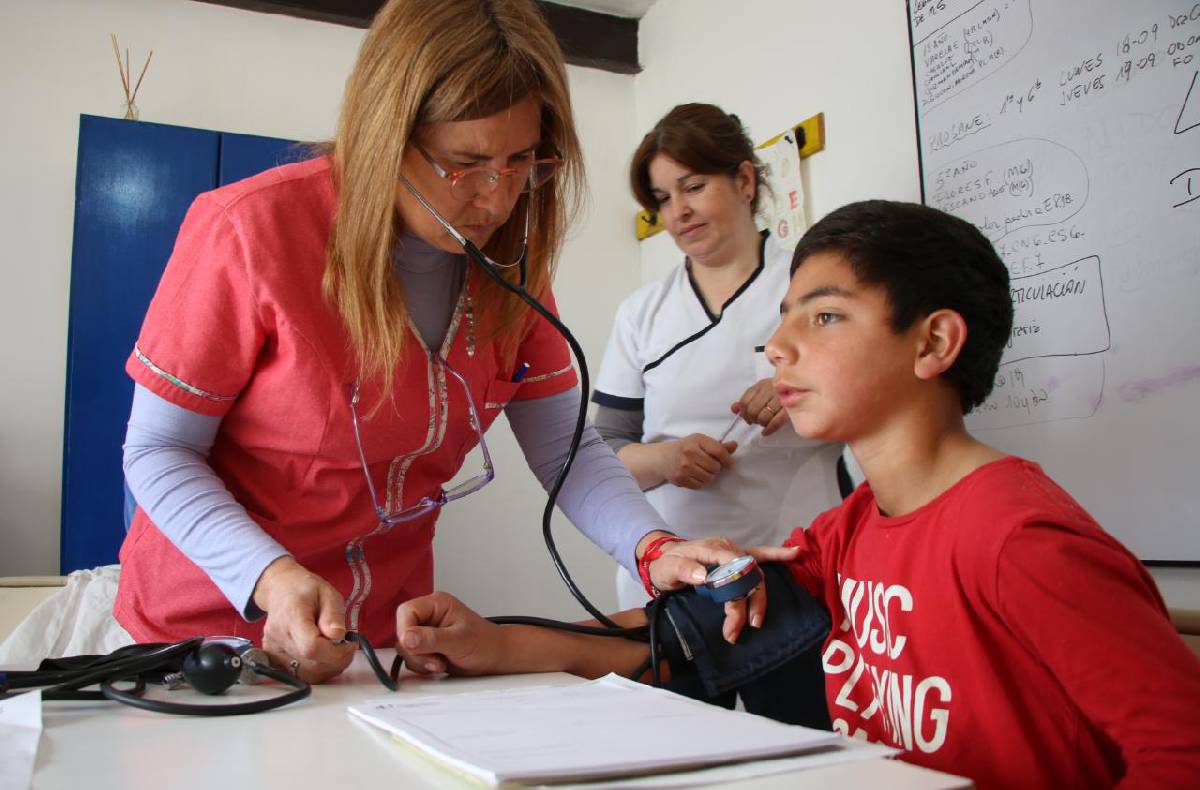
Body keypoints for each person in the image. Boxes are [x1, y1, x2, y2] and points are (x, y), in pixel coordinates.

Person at [393, 200, 1200, 788]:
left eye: (823, 318)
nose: (775, 347)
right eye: (783, 320)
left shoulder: (1021, 542)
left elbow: (1181, 752)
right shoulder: (848, 531)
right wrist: (494, 645)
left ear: (934, 342)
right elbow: (688, 638)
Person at [114, 0, 743, 685]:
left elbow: (566, 450)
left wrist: (653, 548)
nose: (496, 199)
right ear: (385, 134)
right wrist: (270, 577)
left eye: (519, 162)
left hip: (380, 641)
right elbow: (159, 451)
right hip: (205, 636)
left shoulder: (511, 262)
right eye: (464, 163)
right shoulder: (250, 232)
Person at [592, 104, 843, 610]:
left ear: (745, 181)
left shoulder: (814, 280)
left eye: (693, 187)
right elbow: (603, 453)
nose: (678, 211)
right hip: (672, 579)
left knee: (796, 692)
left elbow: (879, 396)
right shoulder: (641, 314)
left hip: (798, 565)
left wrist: (798, 390)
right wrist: (665, 458)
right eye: (663, 199)